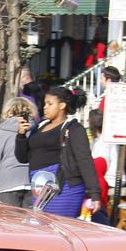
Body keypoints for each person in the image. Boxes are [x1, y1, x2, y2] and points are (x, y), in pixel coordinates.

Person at [15, 86, 102, 218]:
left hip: (64, 188)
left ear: (62, 105)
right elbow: (22, 158)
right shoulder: (40, 126)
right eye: (45, 103)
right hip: (39, 187)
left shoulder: (73, 128)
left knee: (58, 227)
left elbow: (84, 161)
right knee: (41, 229)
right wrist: (21, 135)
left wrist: (95, 193)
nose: (45, 107)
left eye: (50, 104)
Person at [0, 97, 36, 206]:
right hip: (31, 181)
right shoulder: (35, 129)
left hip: (8, 182)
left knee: (8, 220)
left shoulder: (3, 130)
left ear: (8, 111)